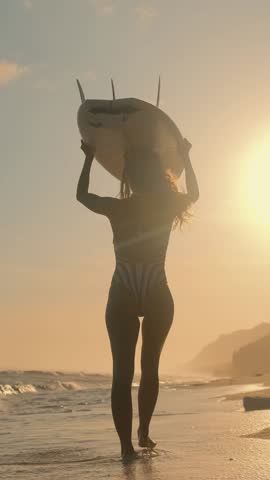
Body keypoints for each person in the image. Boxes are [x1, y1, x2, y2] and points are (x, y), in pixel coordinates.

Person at [76, 139, 199, 459]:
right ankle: (143, 431)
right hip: (157, 288)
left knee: (122, 374)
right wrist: (186, 157)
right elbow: (195, 195)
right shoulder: (167, 205)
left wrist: (89, 158)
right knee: (150, 367)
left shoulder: (119, 207)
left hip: (124, 289)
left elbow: (82, 196)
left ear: (128, 179)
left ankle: (127, 446)